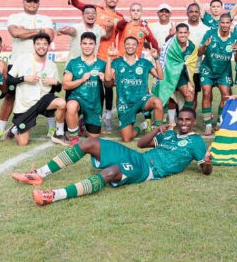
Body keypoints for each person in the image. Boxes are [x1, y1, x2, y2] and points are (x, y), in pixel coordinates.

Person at [11, 107, 211, 206]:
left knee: (111, 172)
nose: (184, 123)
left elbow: (206, 170)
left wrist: (207, 164)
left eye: (188, 120)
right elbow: (141, 144)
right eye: (181, 119)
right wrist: (156, 130)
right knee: (88, 142)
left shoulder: (196, 142)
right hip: (138, 156)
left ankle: (54, 195)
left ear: (194, 122)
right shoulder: (169, 134)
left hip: (148, 170)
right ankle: (39, 174)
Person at [0, 0, 55, 141]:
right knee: (10, 95)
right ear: (23, 2)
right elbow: (15, 33)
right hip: (17, 62)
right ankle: (1, 129)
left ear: (39, 4)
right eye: (29, 1)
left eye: (35, 2)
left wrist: (25, 31)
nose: (32, 4)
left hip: (40, 64)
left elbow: (49, 36)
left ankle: (52, 128)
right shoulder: (15, 17)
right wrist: (39, 31)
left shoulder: (46, 19)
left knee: (47, 94)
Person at [67, 0, 125, 130]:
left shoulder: (120, 17)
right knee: (94, 87)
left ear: (117, 0)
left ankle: (108, 116)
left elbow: (124, 34)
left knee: (109, 86)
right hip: (96, 54)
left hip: (111, 55)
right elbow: (78, 4)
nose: (112, 0)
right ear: (105, 0)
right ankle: (88, 115)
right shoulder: (97, 10)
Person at [3, 32, 66, 146]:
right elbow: (8, 80)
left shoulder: (52, 65)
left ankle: (59, 133)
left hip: (43, 101)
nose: (41, 46)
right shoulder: (22, 59)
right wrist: (23, 78)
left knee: (61, 103)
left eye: (44, 44)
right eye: (38, 44)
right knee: (23, 143)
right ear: (34, 46)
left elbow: (58, 89)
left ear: (48, 46)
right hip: (25, 105)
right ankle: (14, 129)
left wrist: (55, 82)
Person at [106, 36, 164, 142]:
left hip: (142, 100)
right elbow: (108, 78)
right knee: (126, 138)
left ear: (137, 47)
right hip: (124, 104)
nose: (130, 46)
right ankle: (143, 125)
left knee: (158, 102)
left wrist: (156, 58)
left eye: (133, 44)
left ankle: (159, 133)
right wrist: (109, 58)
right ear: (124, 46)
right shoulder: (117, 62)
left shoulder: (144, 63)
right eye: (128, 44)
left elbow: (160, 76)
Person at [61, 32, 109, 145]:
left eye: (90, 44)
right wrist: (81, 80)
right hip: (77, 99)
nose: (87, 46)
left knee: (93, 138)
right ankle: (74, 138)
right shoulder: (73, 63)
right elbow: (65, 85)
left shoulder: (102, 64)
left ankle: (82, 125)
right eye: (85, 43)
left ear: (95, 45)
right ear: (80, 45)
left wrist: (105, 79)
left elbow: (110, 84)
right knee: (71, 106)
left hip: (94, 104)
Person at [198, 13, 237, 135]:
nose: (225, 25)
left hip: (224, 72)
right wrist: (204, 46)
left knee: (226, 96)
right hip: (207, 70)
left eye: (227, 22)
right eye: (223, 22)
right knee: (206, 93)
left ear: (230, 23)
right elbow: (199, 53)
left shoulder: (234, 38)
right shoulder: (210, 34)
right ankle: (208, 124)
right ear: (219, 23)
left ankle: (220, 122)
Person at [153, 23, 197, 127]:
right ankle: (167, 122)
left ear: (188, 33)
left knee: (190, 94)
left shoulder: (192, 47)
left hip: (181, 76)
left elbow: (190, 65)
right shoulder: (170, 45)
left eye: (185, 32)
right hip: (168, 74)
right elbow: (163, 62)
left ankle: (186, 120)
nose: (183, 35)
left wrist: (189, 82)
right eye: (180, 33)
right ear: (176, 33)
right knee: (166, 96)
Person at [186, 3, 210, 110]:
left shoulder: (205, 29)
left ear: (200, 13)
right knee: (179, 94)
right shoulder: (181, 26)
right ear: (187, 13)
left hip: (196, 68)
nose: (194, 14)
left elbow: (206, 51)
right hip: (181, 67)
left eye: (196, 11)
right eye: (191, 11)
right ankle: (179, 115)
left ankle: (191, 115)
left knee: (193, 94)